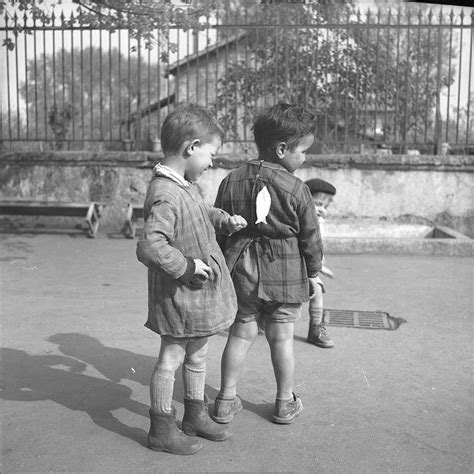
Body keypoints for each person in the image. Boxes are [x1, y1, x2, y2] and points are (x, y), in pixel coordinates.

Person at [136, 104, 247, 455]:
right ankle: (161, 428)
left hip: (195, 297)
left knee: (198, 352)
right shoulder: (166, 193)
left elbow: (198, 212)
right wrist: (185, 266)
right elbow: (151, 246)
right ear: (191, 147)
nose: (212, 162)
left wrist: (222, 219)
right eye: (211, 154)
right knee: (171, 357)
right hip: (179, 294)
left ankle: (195, 414)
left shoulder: (184, 185)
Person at [211, 103, 323, 425]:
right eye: (303, 151)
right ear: (282, 148)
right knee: (281, 338)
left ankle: (225, 400)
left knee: (241, 333)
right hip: (284, 272)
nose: (304, 158)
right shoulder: (297, 188)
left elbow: (219, 226)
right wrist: (313, 272)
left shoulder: (231, 180)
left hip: (241, 268)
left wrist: (223, 266)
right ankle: (284, 403)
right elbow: (311, 238)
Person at [304, 178, 336, 348]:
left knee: (317, 292)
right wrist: (319, 267)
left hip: (311, 267)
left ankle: (315, 328)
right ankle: (265, 319)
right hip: (302, 266)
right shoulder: (303, 221)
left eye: (325, 207)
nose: (322, 210)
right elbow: (305, 246)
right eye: (318, 204)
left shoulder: (319, 222)